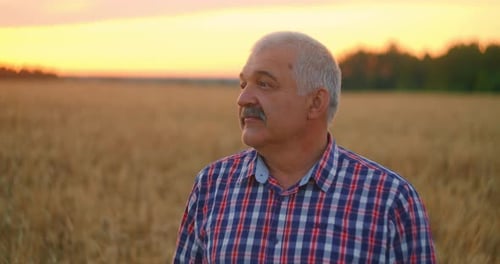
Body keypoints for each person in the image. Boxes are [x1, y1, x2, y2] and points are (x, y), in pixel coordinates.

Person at [173, 31, 436, 263]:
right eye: (244, 84)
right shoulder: (211, 185)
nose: (243, 98)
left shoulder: (389, 200)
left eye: (264, 84)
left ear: (315, 103)